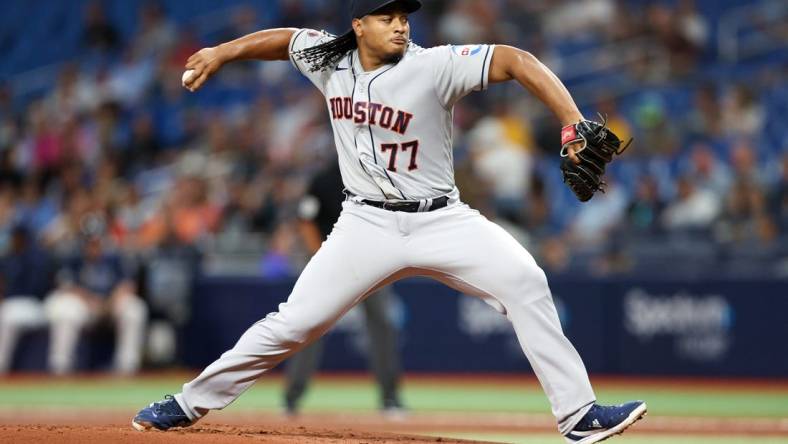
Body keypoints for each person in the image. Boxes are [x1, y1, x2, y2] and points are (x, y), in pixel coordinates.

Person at [133, 1, 646, 442]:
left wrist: (572, 120)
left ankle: (578, 414)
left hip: (443, 220)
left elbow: (515, 60)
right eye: (387, 17)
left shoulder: (435, 66)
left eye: (404, 16)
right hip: (365, 225)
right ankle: (189, 402)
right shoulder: (327, 57)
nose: (401, 25)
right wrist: (223, 52)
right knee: (294, 324)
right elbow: (285, 39)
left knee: (526, 282)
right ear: (358, 24)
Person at [284, 160, 403, 416]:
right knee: (308, 325)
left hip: (368, 262)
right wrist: (322, 259)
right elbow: (306, 221)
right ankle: (291, 399)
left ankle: (390, 398)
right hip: (329, 262)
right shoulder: (325, 178)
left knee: (382, 324)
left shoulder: (375, 176)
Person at [45, 233, 147, 374]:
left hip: (110, 305)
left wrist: (110, 302)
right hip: (84, 306)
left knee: (135, 309)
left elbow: (128, 284)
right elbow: (65, 286)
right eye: (90, 243)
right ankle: (60, 367)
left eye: (97, 242)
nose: (94, 247)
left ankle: (127, 367)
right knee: (66, 312)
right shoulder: (74, 257)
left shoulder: (114, 257)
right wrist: (90, 300)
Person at [0, 226, 52, 373]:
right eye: (13, 237)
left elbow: (38, 289)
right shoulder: (7, 258)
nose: (14, 240)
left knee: (7, 316)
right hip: (12, 304)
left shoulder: (36, 259)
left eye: (17, 237)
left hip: (32, 304)